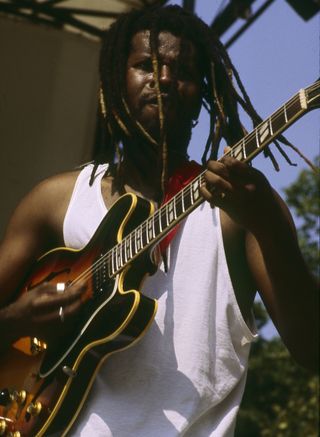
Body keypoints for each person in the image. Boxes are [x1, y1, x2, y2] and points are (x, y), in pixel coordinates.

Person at [0, 5, 318, 436]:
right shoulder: (54, 203)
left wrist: (272, 229)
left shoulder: (239, 213)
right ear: (115, 81)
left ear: (203, 94)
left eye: (182, 71)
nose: (165, 79)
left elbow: (311, 348)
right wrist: (15, 319)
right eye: (146, 66)